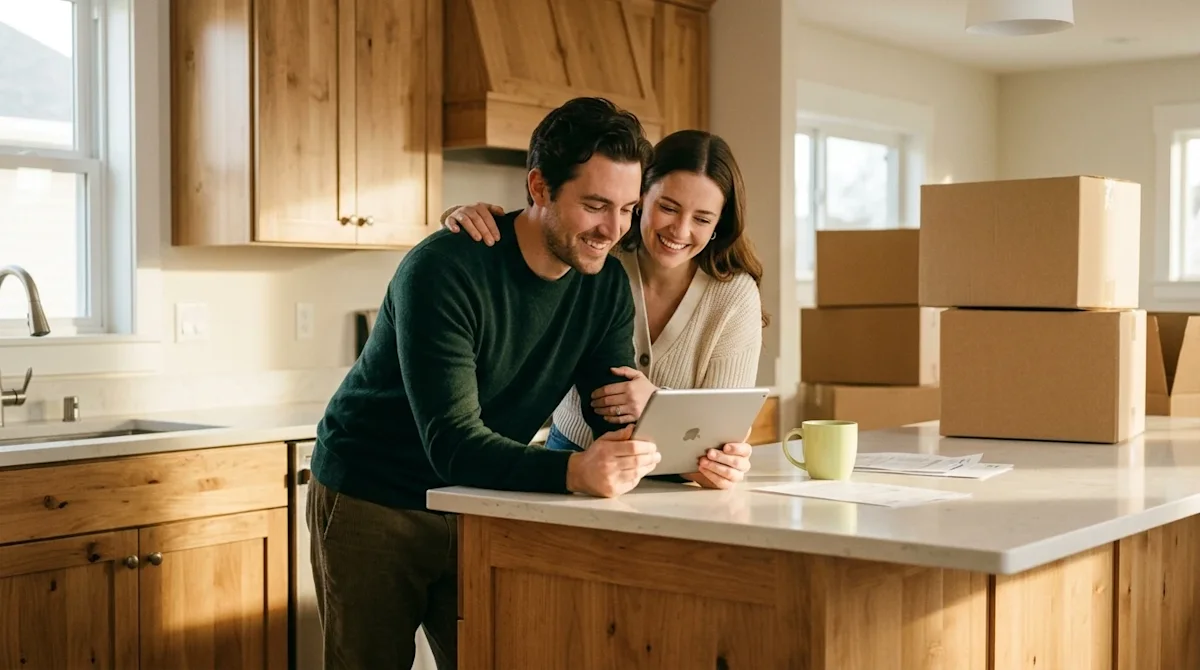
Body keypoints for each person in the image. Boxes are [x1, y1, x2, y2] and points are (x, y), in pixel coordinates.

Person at [307, 97, 700, 670]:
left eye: (627, 208)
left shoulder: (606, 284)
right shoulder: (445, 269)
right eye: (595, 205)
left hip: (481, 499)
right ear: (539, 188)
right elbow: (452, 442)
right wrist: (573, 471)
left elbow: (606, 410)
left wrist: (673, 442)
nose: (613, 229)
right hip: (374, 496)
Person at [442, 129, 767, 482]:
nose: (680, 230)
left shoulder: (734, 296)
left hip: (675, 468)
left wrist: (660, 405)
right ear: (640, 197)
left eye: (702, 219)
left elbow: (721, 430)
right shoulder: (594, 257)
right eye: (668, 207)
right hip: (571, 454)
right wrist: (464, 220)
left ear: (720, 224)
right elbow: (540, 232)